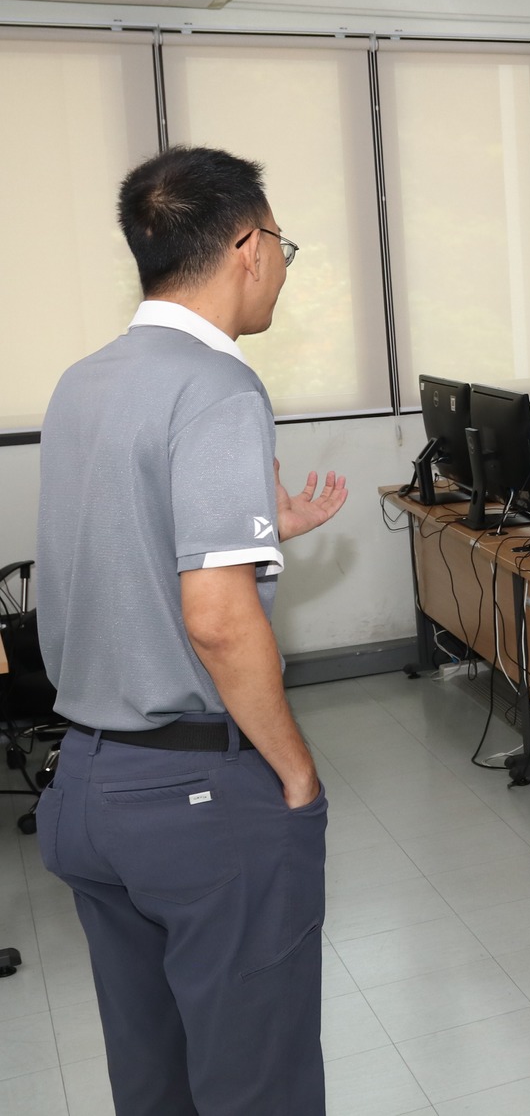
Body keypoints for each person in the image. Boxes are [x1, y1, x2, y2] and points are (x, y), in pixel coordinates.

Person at [35, 146, 349, 1115]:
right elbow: (216, 622)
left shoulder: (83, 380)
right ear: (248, 246)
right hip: (197, 801)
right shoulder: (217, 384)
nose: (283, 265)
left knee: (155, 1081)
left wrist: (259, 529)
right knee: (258, 1087)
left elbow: (117, 546)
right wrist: (295, 771)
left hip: (87, 789)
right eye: (282, 243)